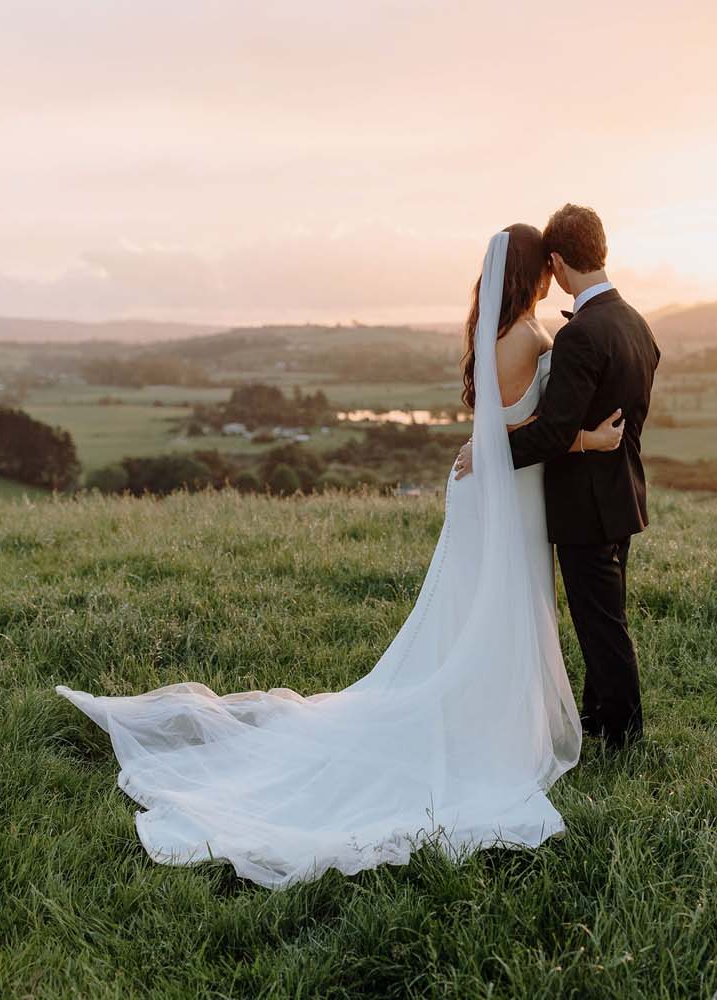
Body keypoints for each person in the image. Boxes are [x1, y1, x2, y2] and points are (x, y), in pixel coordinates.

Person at [56, 223, 624, 888]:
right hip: (512, 489)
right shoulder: (533, 338)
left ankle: (479, 711)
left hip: (483, 485)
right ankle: (494, 726)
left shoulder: (490, 336)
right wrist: (588, 440)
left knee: (475, 605)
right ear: (535, 274)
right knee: (504, 600)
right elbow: (544, 430)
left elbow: (500, 424)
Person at [456, 204, 659, 749]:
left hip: (583, 502)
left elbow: (550, 433)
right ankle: (596, 716)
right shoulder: (636, 323)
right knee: (605, 616)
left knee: (601, 625)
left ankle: (621, 732)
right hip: (622, 494)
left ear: (559, 262)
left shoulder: (579, 334)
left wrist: (490, 450)